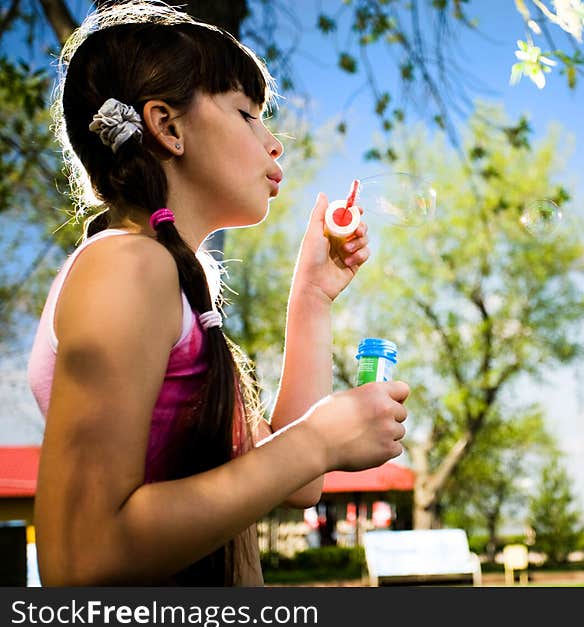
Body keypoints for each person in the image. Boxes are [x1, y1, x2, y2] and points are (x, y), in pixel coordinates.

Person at [27, 0, 409, 586]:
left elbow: (294, 481)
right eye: (247, 114)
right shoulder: (127, 267)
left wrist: (310, 299)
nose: (273, 142)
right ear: (168, 127)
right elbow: (81, 558)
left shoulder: (171, 281)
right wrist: (316, 441)